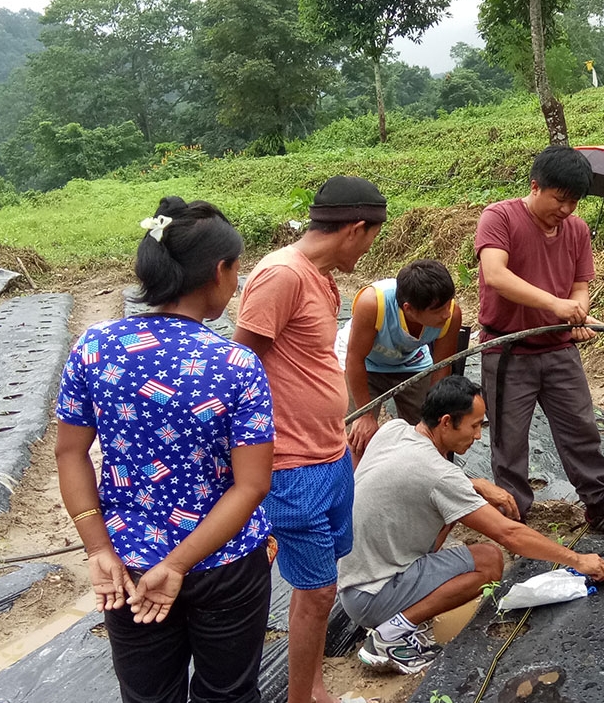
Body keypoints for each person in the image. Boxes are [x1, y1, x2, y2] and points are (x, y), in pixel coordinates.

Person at [55, 197, 275, 703]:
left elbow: (70, 454)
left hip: (127, 565)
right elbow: (252, 484)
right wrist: (177, 564)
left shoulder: (94, 348)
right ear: (220, 272)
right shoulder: (235, 364)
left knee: (149, 696)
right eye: (237, 271)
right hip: (225, 562)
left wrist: (97, 548)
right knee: (228, 694)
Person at [338, 376, 604, 674]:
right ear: (446, 422)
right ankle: (390, 635)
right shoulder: (439, 475)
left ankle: (398, 615)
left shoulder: (394, 430)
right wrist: (577, 560)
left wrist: (475, 485)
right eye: (474, 426)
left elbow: (401, 477)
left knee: (449, 512)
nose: (478, 436)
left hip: (352, 582)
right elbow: (509, 534)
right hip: (374, 594)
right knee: (488, 561)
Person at [233, 176, 387, 703]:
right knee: (318, 589)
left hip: (329, 453)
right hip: (291, 462)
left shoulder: (320, 279)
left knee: (319, 588)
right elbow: (240, 364)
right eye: (370, 238)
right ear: (355, 228)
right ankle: (303, 696)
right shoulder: (280, 275)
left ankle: (313, 684)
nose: (369, 249)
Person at [475, 144, 604, 534]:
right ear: (535, 186)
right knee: (509, 439)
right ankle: (516, 517)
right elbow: (496, 275)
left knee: (581, 429)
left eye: (574, 203)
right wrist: (557, 306)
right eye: (559, 200)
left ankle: (598, 507)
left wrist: (577, 311)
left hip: (560, 349)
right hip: (508, 350)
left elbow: (580, 288)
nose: (566, 210)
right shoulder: (499, 217)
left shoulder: (577, 230)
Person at [337, 259, 464, 457]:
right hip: (365, 363)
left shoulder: (452, 314)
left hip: (411, 362)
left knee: (432, 434)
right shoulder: (372, 304)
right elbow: (355, 359)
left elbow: (442, 367)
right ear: (409, 309)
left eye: (448, 305)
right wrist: (365, 415)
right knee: (359, 437)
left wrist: (435, 417)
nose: (446, 314)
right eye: (438, 311)